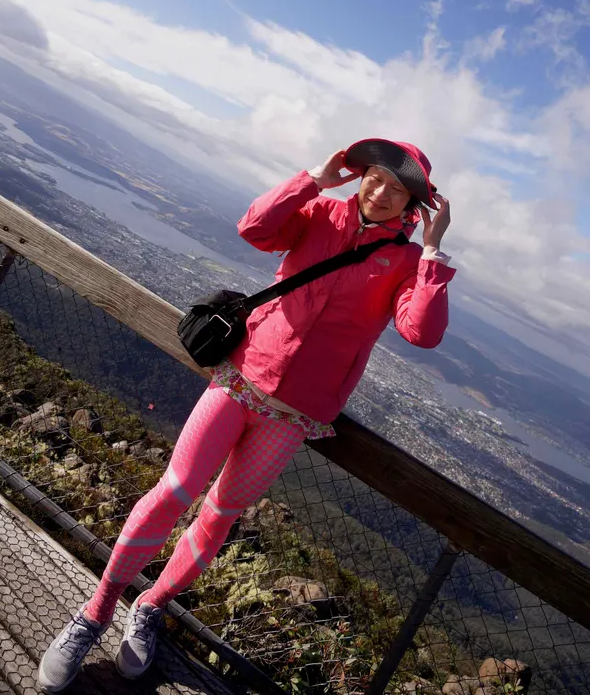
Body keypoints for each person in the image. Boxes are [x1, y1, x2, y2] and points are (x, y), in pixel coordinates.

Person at [38, 138, 455, 694]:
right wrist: (314, 177)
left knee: (219, 517)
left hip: (295, 413)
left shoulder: (405, 262)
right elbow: (254, 229)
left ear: (414, 204)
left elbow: (422, 332)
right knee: (174, 490)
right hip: (241, 380)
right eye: (375, 177)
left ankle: (151, 605)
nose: (380, 193)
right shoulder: (321, 212)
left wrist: (431, 252)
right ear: (361, 175)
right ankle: (94, 612)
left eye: (398, 189)